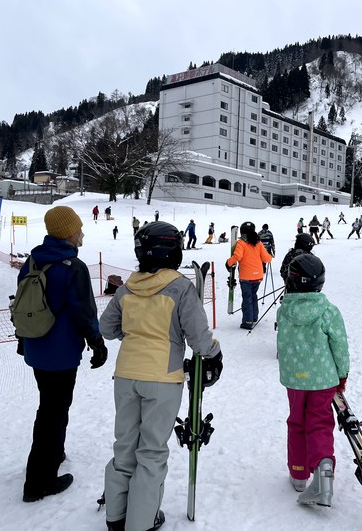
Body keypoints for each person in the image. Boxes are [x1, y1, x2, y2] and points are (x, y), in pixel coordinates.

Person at [100, 221, 223, 531]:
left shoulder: (128, 287)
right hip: (163, 378)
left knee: (125, 445)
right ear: (174, 251)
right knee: (152, 451)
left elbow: (106, 328)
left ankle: (116, 515)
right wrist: (214, 353)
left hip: (126, 375)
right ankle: (141, 521)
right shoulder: (181, 287)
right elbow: (198, 336)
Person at [19, 206, 108, 503]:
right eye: (78, 228)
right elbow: (83, 312)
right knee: (53, 412)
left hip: (35, 346)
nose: (81, 232)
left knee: (50, 406)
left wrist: (23, 339)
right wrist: (96, 341)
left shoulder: (32, 261)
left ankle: (53, 453)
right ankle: (39, 482)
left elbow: (24, 303)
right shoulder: (73, 267)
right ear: (67, 232)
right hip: (61, 353)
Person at [276, 254, 349, 506]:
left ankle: (298, 475)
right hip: (323, 379)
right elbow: (339, 345)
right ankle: (324, 474)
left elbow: (284, 345)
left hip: (296, 380)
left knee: (296, 422)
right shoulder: (328, 311)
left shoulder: (285, 310)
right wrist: (341, 375)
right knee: (319, 424)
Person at [225, 221, 273, 329]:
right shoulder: (258, 242)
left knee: (247, 298)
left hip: (246, 276)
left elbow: (238, 256)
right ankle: (254, 317)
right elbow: (266, 258)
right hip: (258, 276)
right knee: (253, 295)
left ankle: (248, 321)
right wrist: (270, 257)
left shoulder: (241, 242)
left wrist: (228, 263)